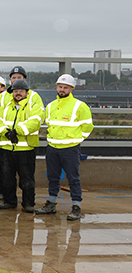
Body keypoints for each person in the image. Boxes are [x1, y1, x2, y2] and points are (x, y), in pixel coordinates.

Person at [35, 74, 93, 221]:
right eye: (60, 87)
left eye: (65, 87)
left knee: (73, 178)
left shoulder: (80, 106)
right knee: (53, 177)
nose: (62, 89)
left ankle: (76, 207)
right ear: (57, 87)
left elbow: (88, 126)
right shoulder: (51, 106)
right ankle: (51, 204)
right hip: (53, 147)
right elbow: (47, 123)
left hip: (70, 149)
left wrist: (77, 140)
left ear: (71, 89)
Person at [0, 79, 44, 213]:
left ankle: (28, 203)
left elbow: (35, 122)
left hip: (25, 149)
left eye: (21, 91)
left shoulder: (33, 106)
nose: (18, 94)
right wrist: (6, 133)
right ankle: (10, 202)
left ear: (27, 92)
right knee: (7, 178)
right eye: (16, 91)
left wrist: (17, 131)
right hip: (6, 148)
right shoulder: (6, 106)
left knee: (26, 179)